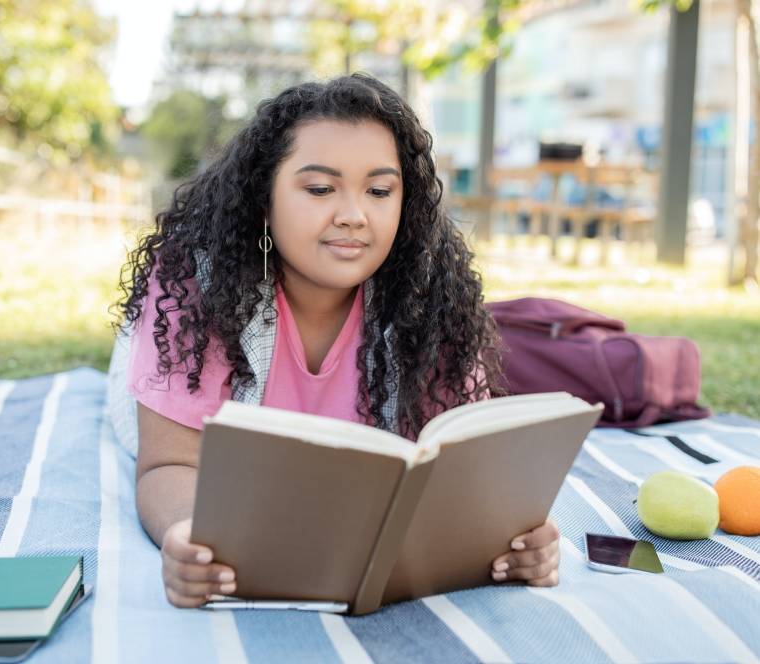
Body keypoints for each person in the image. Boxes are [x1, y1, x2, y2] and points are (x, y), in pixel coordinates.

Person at [115, 73, 561, 610]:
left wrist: (519, 537)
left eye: (379, 191)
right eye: (321, 189)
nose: (354, 215)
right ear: (264, 197)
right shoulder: (197, 290)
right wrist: (187, 535)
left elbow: (463, 477)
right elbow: (168, 465)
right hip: (150, 378)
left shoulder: (430, 304)